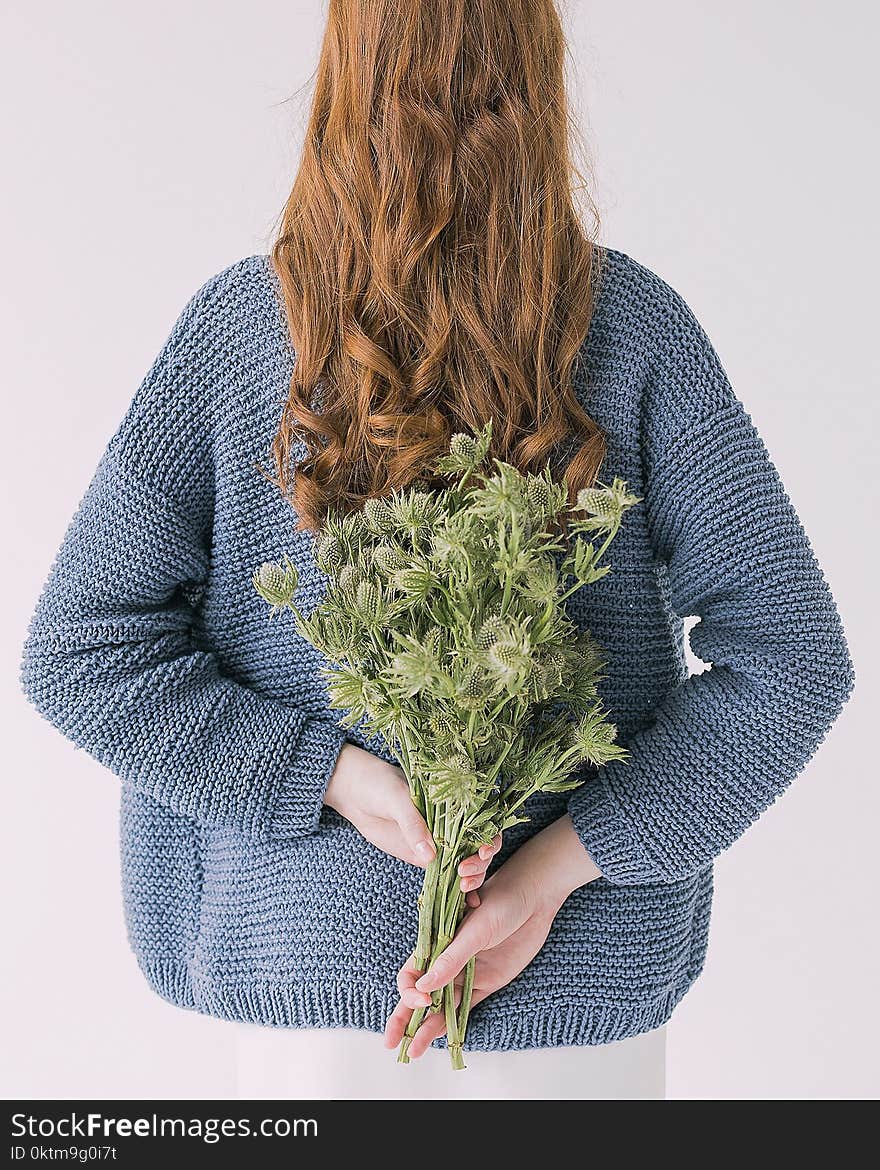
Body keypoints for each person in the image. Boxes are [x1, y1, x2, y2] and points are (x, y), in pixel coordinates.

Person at [21, 0, 854, 1100]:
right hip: (581, 1007)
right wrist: (554, 872)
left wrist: (333, 780)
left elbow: (80, 652)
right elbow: (793, 658)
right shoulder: (635, 328)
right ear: (537, 82)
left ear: (343, 81)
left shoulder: (242, 332)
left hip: (307, 996)